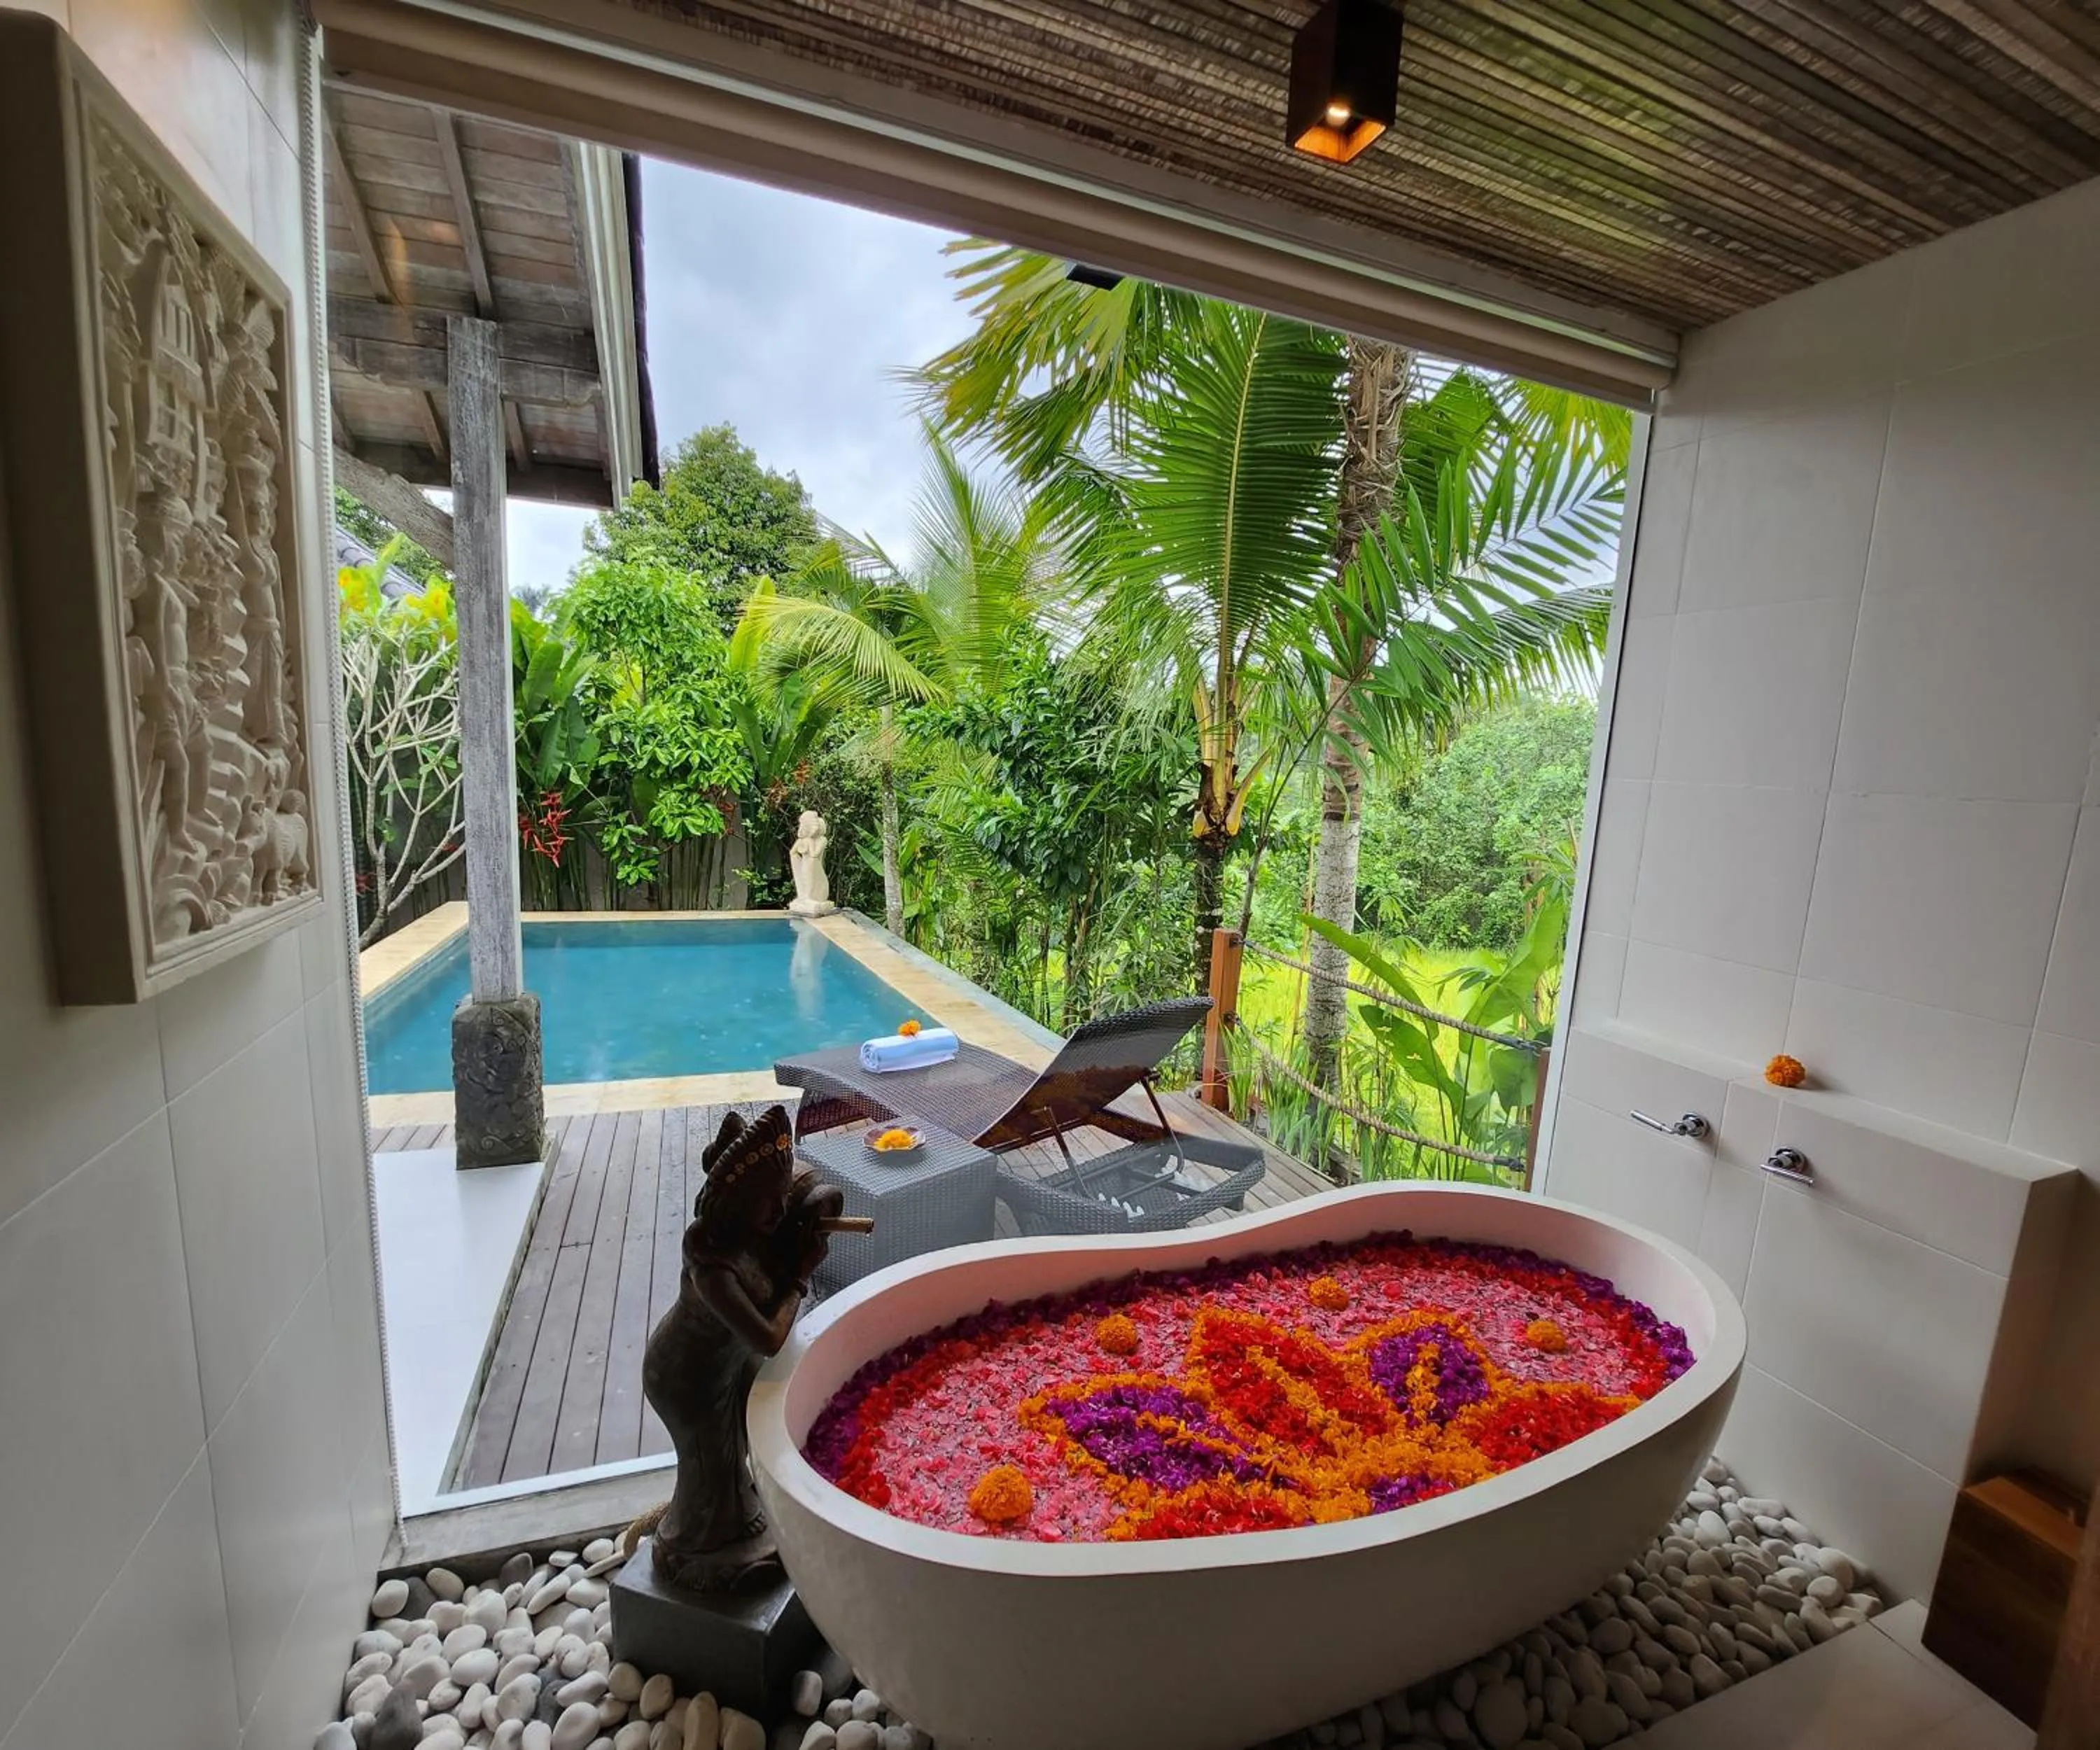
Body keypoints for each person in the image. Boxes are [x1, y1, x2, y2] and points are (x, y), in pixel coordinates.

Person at [634, 1105, 843, 1590]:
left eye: (780, 1199)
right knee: (712, 1463)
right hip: (688, 1375)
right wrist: (800, 1276)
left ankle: (738, 1516)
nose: (778, 1211)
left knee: (742, 1446)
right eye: (769, 1201)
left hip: (727, 1360)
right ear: (737, 1204)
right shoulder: (713, 1267)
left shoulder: (750, 1235)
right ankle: (700, 1541)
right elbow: (768, 1338)